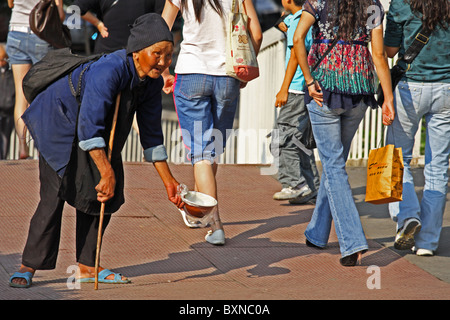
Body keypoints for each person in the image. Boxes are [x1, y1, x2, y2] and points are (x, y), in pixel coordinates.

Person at [8, 13, 184, 288]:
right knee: (54, 193)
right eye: (157, 53)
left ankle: (87, 266)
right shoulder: (108, 71)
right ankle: (29, 264)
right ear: (137, 53)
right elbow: (89, 127)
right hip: (58, 121)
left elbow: (151, 135)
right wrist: (105, 171)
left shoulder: (150, 82)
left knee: (103, 194)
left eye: (168, 55)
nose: (163, 62)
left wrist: (169, 182)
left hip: (94, 131)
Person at [293, 0, 395, 266]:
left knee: (334, 166)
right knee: (334, 164)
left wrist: (307, 78)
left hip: (323, 91)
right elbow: (379, 54)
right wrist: (388, 99)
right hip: (359, 91)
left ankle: (352, 243)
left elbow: (298, 37)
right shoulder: (372, 5)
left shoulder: (317, 2)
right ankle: (316, 233)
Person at [162, 0, 263, 245]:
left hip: (190, 74)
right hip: (227, 77)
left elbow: (162, 29)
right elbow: (257, 34)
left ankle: (215, 224)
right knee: (213, 149)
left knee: (202, 154)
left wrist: (164, 69)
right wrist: (245, 68)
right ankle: (198, 212)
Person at [384, 0, 450, 257]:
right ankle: (427, 243)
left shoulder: (402, 3)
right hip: (446, 88)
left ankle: (408, 216)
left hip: (410, 87)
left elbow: (389, 51)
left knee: (399, 158)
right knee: (438, 168)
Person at [271, 0, 319, 204]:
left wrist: (284, 89)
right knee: (300, 140)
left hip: (296, 88)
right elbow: (283, 23)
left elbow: (294, 56)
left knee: (282, 137)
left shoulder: (298, 23)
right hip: (308, 88)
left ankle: (294, 184)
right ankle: (312, 187)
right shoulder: (307, 18)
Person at [6, 0, 65, 159]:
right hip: (40, 34)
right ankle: (42, 149)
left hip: (15, 33)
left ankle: (23, 148)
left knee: (21, 96)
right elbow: (60, 15)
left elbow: (11, 5)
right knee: (41, 96)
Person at [0, 43, 15, 159]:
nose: (1, 62)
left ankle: (3, 160)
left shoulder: (12, 72)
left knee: (5, 140)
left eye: (3, 59)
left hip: (9, 110)